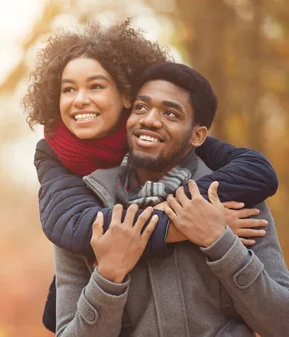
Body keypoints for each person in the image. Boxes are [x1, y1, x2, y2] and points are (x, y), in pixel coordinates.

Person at [22, 20, 277, 332]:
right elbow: (70, 225)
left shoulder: (227, 196)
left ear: (125, 97)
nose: (80, 100)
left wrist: (218, 240)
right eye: (69, 89)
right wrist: (109, 275)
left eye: (170, 114)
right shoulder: (79, 198)